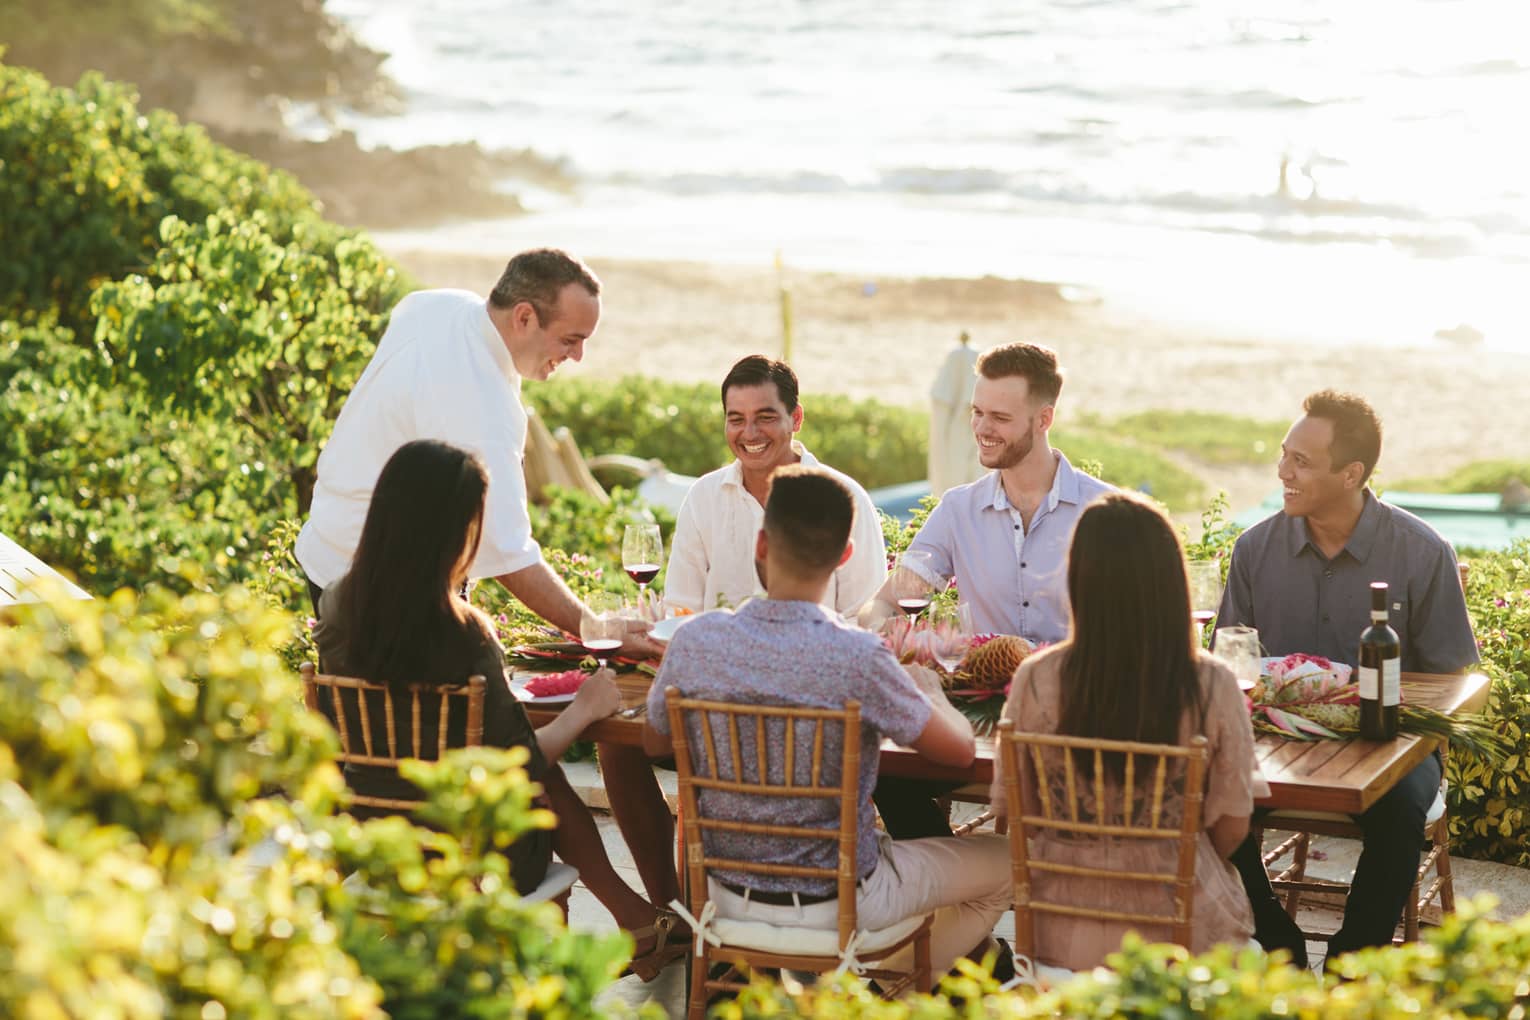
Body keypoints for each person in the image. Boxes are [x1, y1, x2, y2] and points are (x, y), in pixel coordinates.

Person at [294, 248, 679, 921]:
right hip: (396, 584)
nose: (578, 358)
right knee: (506, 751)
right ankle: (640, 920)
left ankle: (635, 918)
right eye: (571, 340)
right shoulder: (483, 413)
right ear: (524, 316)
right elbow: (509, 556)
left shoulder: (436, 305)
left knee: (395, 747)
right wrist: (594, 631)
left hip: (333, 579)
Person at [313, 440, 685, 979]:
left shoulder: (339, 604)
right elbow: (520, 766)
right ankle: (639, 924)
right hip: (467, 848)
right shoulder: (463, 631)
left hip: (375, 834)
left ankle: (638, 923)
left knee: (531, 768)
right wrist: (583, 711)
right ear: (457, 531)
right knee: (540, 781)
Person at [644, 466, 1014, 979]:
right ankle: (887, 1004)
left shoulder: (695, 641)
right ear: (845, 556)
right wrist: (930, 693)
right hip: (838, 900)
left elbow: (653, 741)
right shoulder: (858, 656)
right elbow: (956, 753)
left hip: (722, 897)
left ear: (760, 546)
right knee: (1007, 863)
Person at [1216, 390, 1478, 965]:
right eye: (1284, 455)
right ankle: (1275, 941)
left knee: (1401, 810)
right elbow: (1229, 663)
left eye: (1301, 462)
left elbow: (1450, 681)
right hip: (1275, 742)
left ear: (1351, 473)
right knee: (1210, 796)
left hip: (1391, 743)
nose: (1283, 471)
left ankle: (1352, 968)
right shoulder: (1255, 549)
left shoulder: (1421, 551)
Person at [989, 491, 1262, 970]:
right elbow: (1233, 821)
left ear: (1079, 579)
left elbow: (1017, 808)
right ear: (1170, 583)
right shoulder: (1209, 683)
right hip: (1180, 930)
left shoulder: (1036, 678)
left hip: (1059, 928)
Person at [864, 340, 1112, 840]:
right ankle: (955, 874)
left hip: (1074, 715)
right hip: (980, 710)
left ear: (1043, 419)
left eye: (999, 417)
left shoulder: (1103, 512)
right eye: (977, 412)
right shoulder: (959, 509)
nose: (980, 428)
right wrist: (886, 637)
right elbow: (893, 598)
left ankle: (1011, 884)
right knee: (883, 767)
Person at [664, 355, 887, 615]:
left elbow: (864, 615)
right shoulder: (703, 497)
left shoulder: (845, 498)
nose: (749, 433)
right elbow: (680, 610)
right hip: (720, 655)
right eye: (736, 420)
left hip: (819, 654)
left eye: (765, 417)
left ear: (796, 418)